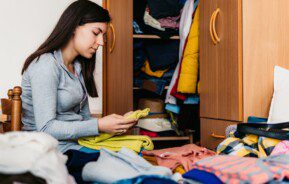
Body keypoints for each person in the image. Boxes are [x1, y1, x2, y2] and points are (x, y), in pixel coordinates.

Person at [21, 0, 136, 153]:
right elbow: (46, 128)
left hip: (75, 145)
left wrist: (118, 124)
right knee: (123, 161)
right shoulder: (46, 65)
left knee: (132, 153)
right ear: (74, 27)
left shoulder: (78, 67)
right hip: (49, 151)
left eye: (103, 36)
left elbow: (84, 121)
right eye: (96, 33)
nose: (101, 42)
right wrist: (99, 125)